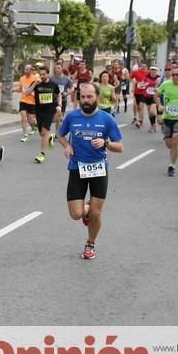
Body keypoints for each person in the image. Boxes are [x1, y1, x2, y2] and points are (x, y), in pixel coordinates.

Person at [56, 83, 124, 260]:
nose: (85, 100)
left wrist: (106, 143)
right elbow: (60, 134)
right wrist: (67, 145)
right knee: (76, 214)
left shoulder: (107, 119)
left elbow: (120, 147)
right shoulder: (72, 117)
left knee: (96, 213)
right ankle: (86, 208)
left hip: (98, 168)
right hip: (77, 168)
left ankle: (90, 243)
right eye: (83, 97)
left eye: (89, 97)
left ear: (98, 98)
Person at [32, 66, 61, 164]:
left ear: (48, 74)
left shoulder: (53, 84)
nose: (42, 76)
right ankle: (50, 137)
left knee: (44, 131)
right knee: (42, 134)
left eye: (44, 74)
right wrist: (34, 84)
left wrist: (59, 105)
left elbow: (58, 94)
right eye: (40, 74)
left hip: (50, 110)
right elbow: (26, 93)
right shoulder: (37, 84)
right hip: (39, 111)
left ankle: (42, 154)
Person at [50, 65, 73, 146]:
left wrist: (67, 93)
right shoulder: (51, 78)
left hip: (62, 100)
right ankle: (58, 132)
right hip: (52, 100)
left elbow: (72, 88)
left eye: (58, 68)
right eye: (55, 68)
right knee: (56, 118)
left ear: (62, 69)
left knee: (59, 117)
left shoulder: (66, 79)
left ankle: (57, 133)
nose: (57, 69)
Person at [18, 64, 39, 143]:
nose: (26, 71)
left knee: (31, 120)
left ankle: (34, 127)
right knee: (23, 117)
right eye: (25, 69)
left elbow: (38, 90)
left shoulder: (35, 79)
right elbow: (21, 89)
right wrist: (13, 90)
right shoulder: (21, 79)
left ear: (31, 70)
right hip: (23, 100)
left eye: (28, 69)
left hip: (32, 102)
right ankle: (25, 135)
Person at [130, 62, 150, 128]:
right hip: (137, 92)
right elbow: (130, 77)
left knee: (141, 106)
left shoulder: (149, 73)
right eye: (142, 66)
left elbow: (153, 79)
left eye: (145, 66)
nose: (143, 67)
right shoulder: (136, 72)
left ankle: (140, 121)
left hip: (145, 92)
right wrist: (133, 82)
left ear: (147, 67)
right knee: (137, 107)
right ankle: (139, 118)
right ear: (140, 66)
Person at [143, 66, 161, 132]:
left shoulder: (159, 78)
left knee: (152, 111)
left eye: (155, 71)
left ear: (156, 72)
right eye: (152, 70)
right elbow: (141, 85)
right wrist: (145, 84)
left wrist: (157, 87)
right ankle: (152, 125)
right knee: (149, 113)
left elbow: (161, 86)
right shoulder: (146, 77)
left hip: (155, 96)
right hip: (147, 96)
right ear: (150, 71)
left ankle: (155, 123)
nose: (153, 72)